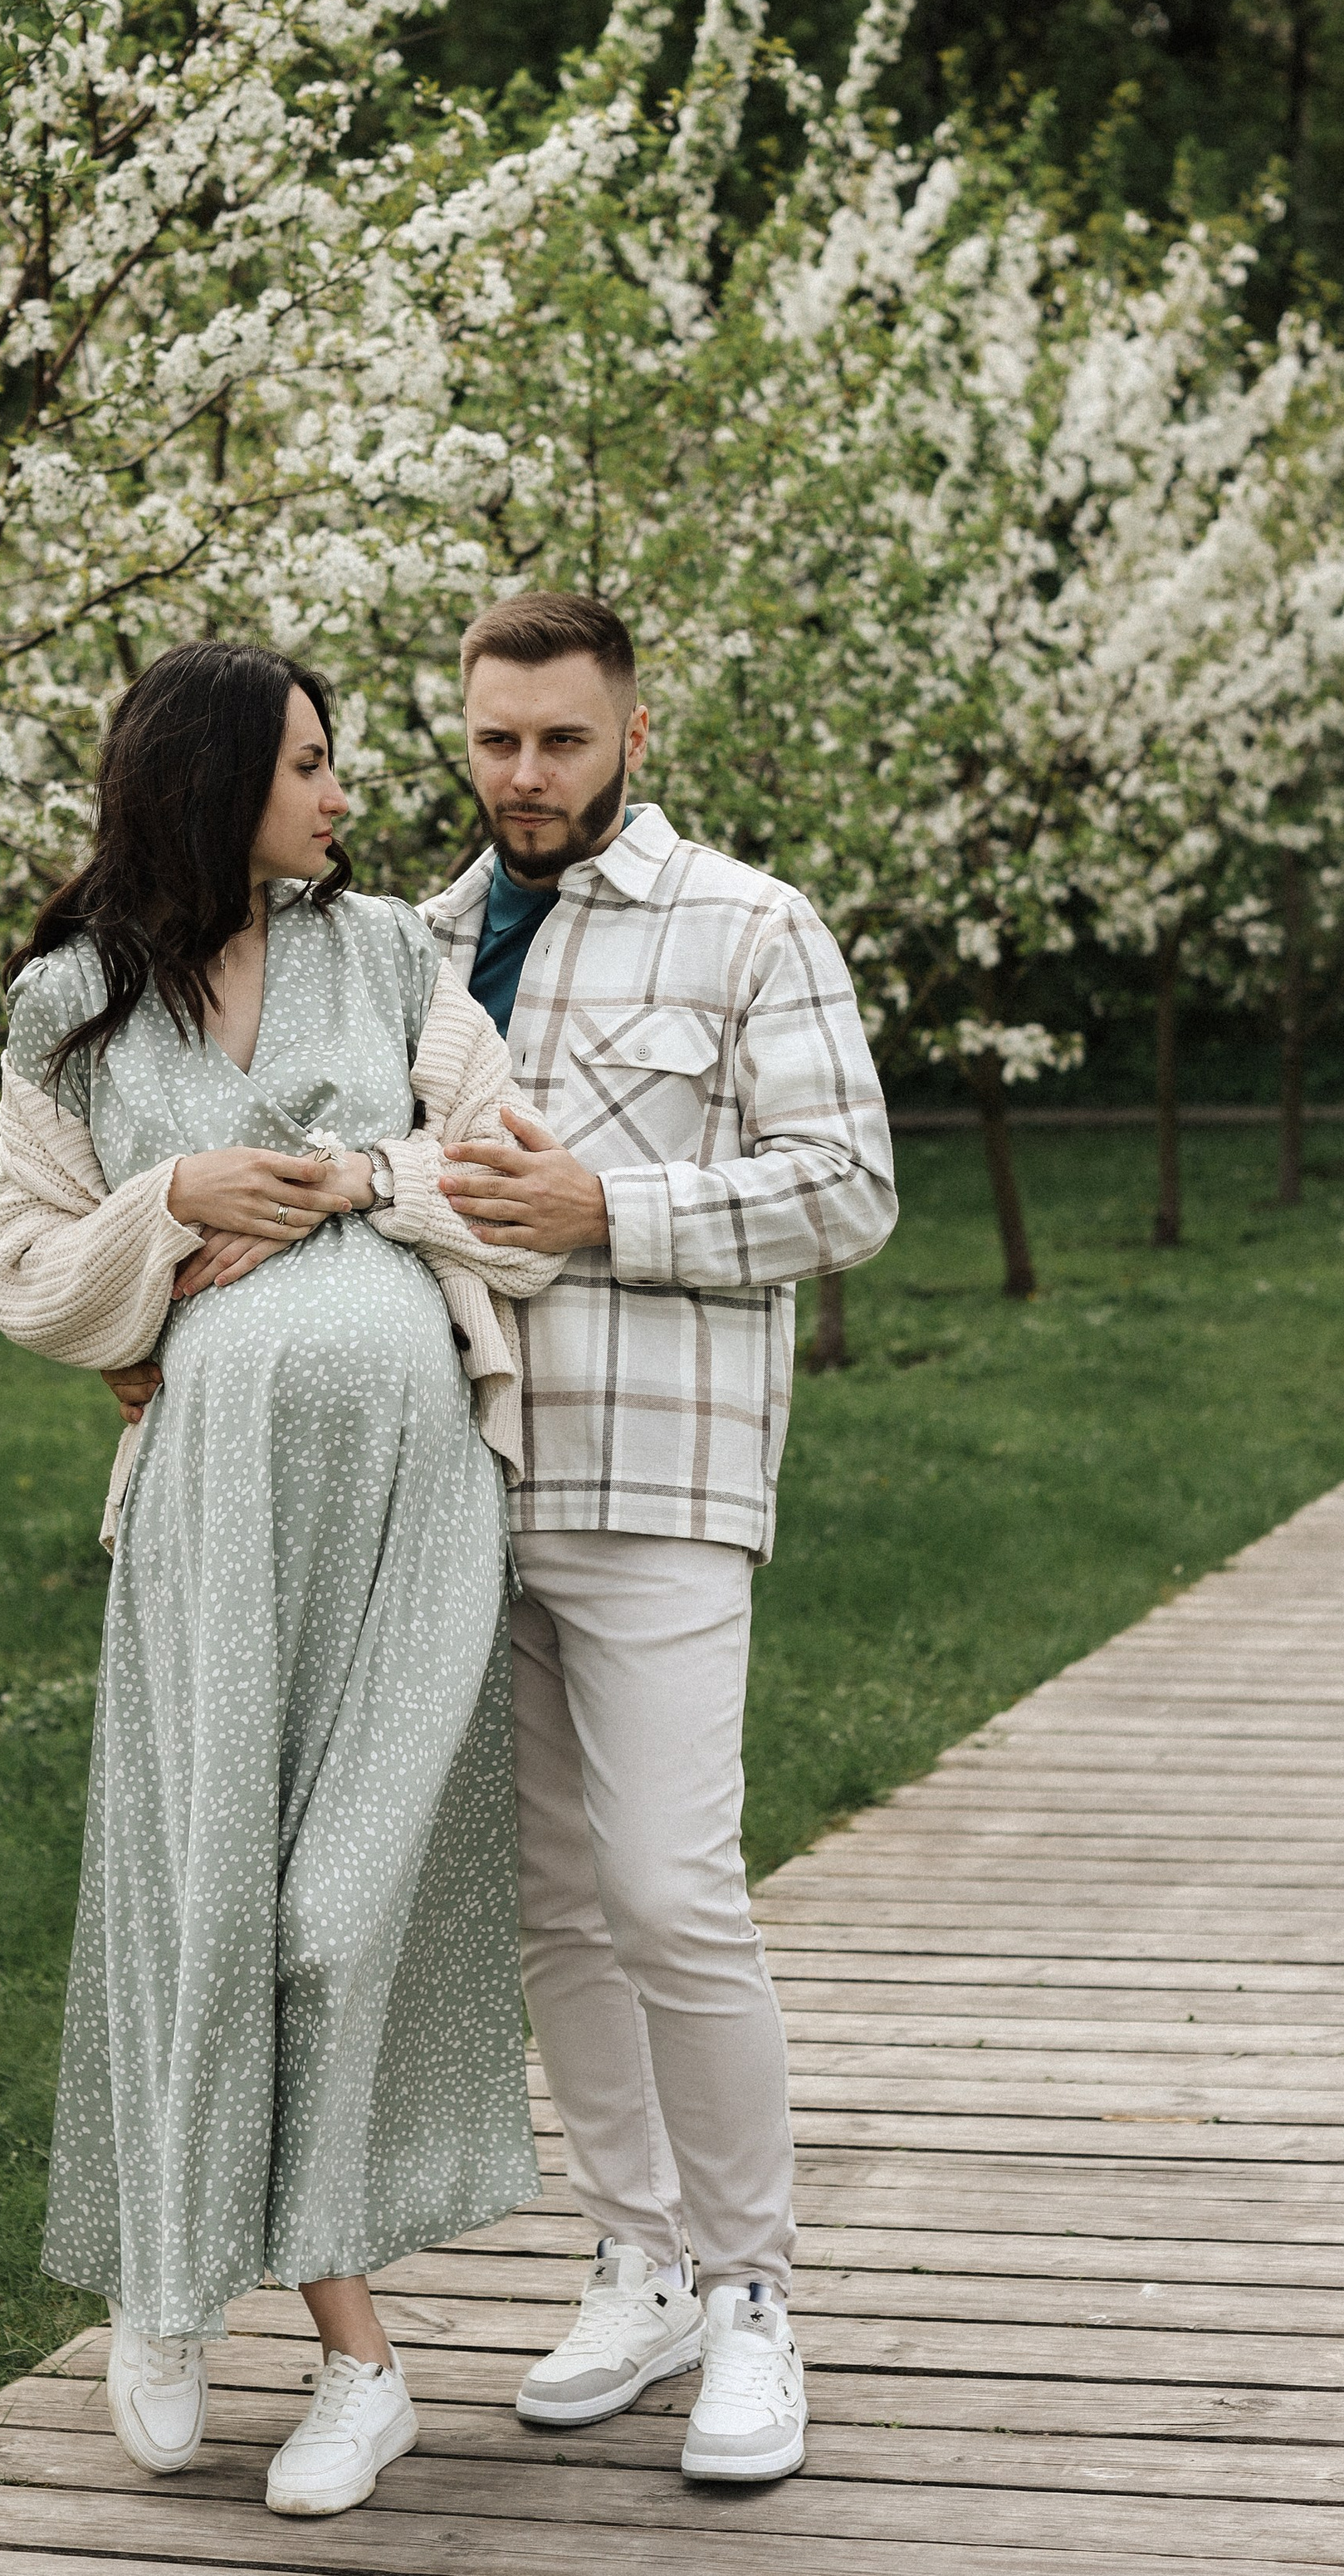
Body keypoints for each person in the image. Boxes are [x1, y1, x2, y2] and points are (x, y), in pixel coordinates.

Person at [0, 641, 562, 2521]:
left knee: (333, 1913)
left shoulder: (391, 953)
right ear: (217, 780)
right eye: (309, 764)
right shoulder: (67, 1005)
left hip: (410, 1510)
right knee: (204, 1909)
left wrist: (328, 1181)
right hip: (211, 1529)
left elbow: (512, 1195)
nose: (339, 796)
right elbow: (24, 1274)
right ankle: (209, 2314)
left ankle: (297, 2326)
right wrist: (168, 1209)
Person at [428, 590, 897, 2485]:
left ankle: (754, 2291)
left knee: (668, 1886)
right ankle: (635, 2260)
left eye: (557, 737)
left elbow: (846, 1185)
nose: (523, 774)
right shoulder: (419, 938)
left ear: (633, 730)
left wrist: (599, 1206)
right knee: (552, 1901)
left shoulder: (749, 922)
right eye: (492, 739)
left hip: (661, 1478)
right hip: (461, 1478)